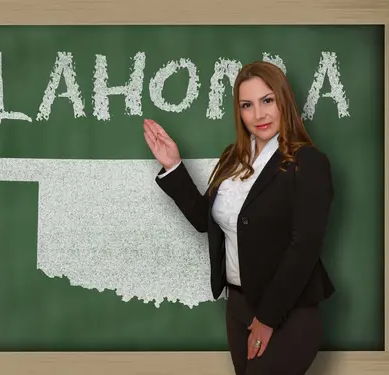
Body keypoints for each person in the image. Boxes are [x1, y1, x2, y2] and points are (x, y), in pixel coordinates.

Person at [143, 61, 335, 375]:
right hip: (239, 307)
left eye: (267, 101)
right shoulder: (233, 159)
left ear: (283, 101)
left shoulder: (308, 162)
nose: (258, 114)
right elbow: (207, 222)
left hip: (287, 311)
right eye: (247, 105)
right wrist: (174, 166)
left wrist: (268, 319)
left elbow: (305, 247)